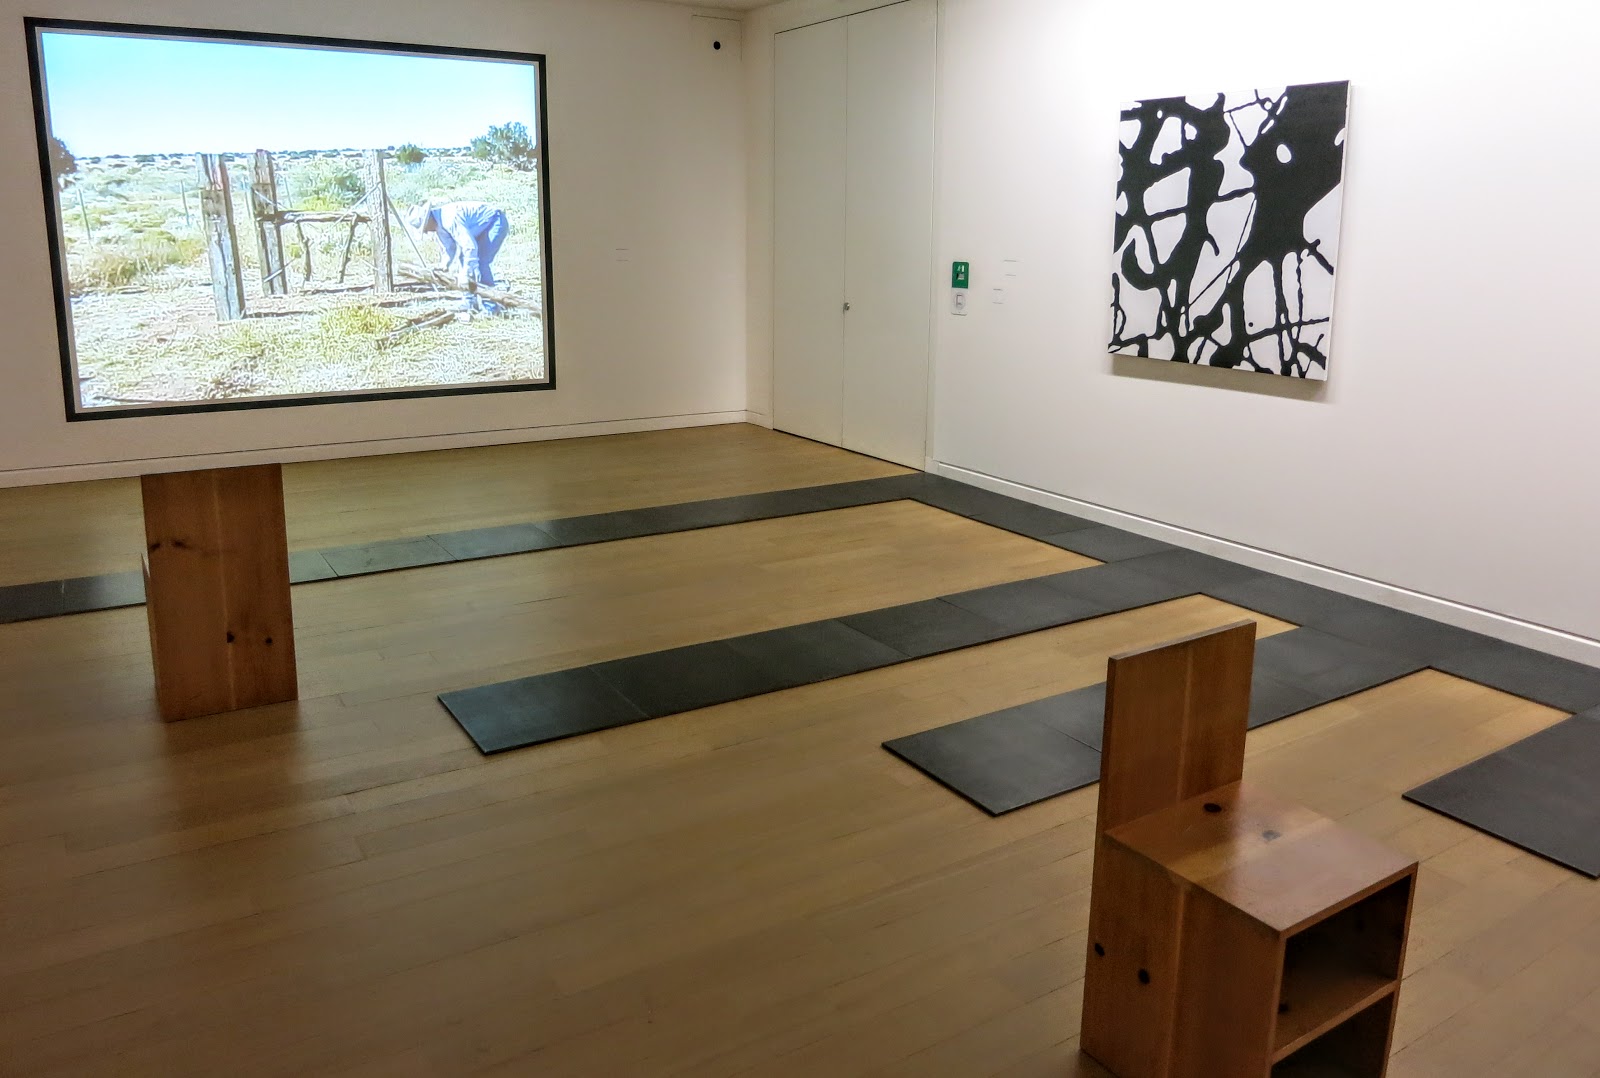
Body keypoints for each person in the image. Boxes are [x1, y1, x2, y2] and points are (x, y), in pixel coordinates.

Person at [405, 200, 511, 312]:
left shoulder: (450, 219)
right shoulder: (439, 225)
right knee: (464, 259)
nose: (426, 232)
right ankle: (469, 301)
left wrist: (466, 271)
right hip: (480, 227)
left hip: (495, 221)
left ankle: (491, 307)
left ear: (428, 220)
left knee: (480, 263)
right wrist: (443, 266)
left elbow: (470, 247)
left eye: (425, 228)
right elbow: (449, 249)